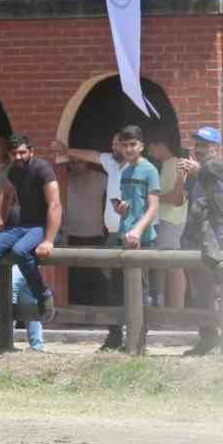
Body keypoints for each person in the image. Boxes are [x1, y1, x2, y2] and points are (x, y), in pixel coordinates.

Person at [53, 125, 160, 351]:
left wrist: (137, 230)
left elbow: (152, 206)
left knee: (139, 289)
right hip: (116, 234)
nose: (120, 147)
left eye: (127, 144)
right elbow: (91, 155)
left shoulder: (146, 169)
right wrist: (123, 210)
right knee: (114, 289)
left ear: (140, 146)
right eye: (120, 143)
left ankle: (138, 340)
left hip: (138, 238)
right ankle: (114, 336)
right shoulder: (119, 167)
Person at [0, 135, 60, 332]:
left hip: (40, 226)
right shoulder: (13, 170)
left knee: (20, 251)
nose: (18, 156)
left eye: (22, 152)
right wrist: (1, 221)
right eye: (14, 153)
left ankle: (43, 295)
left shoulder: (42, 169)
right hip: (21, 225)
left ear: (31, 151)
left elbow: (55, 205)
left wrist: (49, 240)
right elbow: (6, 193)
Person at [181, 126, 223, 356]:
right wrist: (179, 179)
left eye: (205, 145)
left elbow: (222, 201)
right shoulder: (194, 174)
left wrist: (200, 172)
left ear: (217, 148)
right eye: (198, 144)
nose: (199, 149)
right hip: (195, 237)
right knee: (199, 292)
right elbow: (176, 201)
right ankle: (207, 338)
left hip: (219, 237)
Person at [147, 136, 189, 310]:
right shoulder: (167, 165)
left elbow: (175, 197)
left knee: (173, 265)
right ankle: (168, 307)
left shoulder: (174, 164)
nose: (149, 153)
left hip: (171, 220)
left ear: (161, 145)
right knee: (167, 265)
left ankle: (177, 308)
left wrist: (153, 197)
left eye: (151, 148)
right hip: (166, 219)